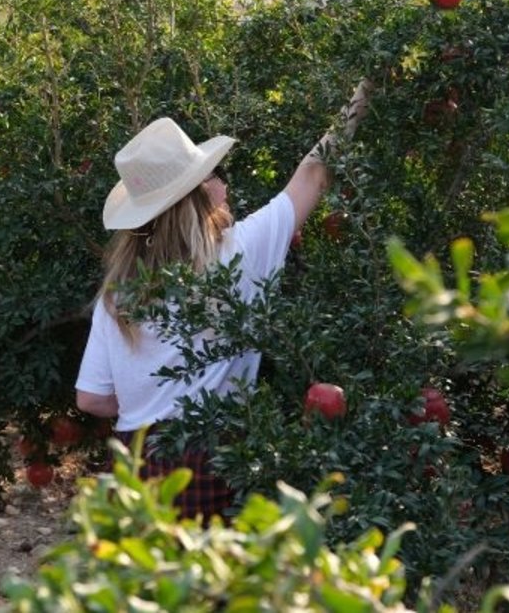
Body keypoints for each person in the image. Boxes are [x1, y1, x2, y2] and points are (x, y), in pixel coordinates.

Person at [74, 79, 373, 520]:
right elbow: (315, 171)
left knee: (144, 586)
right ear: (199, 196)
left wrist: (151, 398)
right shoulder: (239, 252)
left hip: (134, 467)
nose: (223, 184)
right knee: (217, 583)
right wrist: (365, 93)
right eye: (213, 176)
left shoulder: (117, 293)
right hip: (211, 459)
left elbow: (91, 400)